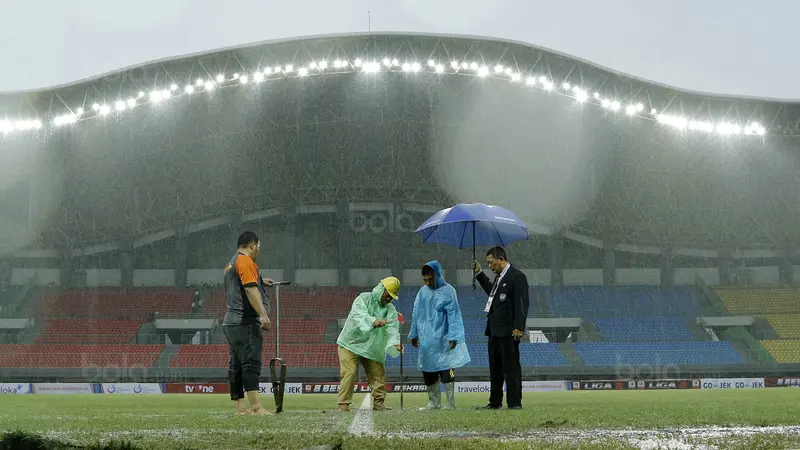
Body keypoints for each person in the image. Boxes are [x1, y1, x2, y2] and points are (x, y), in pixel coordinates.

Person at [222, 231, 275, 415]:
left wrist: (260, 280)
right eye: (258, 247)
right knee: (251, 362)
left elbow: (239, 284)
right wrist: (262, 315)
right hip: (245, 321)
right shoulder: (246, 261)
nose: (258, 250)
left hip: (231, 322)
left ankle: (240, 407)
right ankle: (256, 407)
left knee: (235, 364)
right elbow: (250, 290)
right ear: (252, 245)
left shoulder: (231, 263)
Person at [473, 246, 529, 410]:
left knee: (511, 368)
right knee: (495, 369)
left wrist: (519, 326)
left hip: (509, 331)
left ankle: (514, 403)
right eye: (488, 263)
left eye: (491, 262)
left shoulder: (517, 276)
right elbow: (492, 293)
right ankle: (495, 402)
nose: (490, 266)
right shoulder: (498, 278)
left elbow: (522, 303)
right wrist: (479, 274)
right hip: (494, 330)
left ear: (501, 259)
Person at [409, 260, 470, 410]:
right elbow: (416, 314)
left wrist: (453, 336)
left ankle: (450, 403)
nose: (428, 282)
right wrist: (414, 334)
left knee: (447, 370)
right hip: (427, 340)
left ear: (437, 275)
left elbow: (454, 314)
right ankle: (433, 402)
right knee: (428, 371)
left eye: (430, 279)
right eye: (425, 280)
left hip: (444, 339)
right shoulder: (422, 292)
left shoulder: (449, 291)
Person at [336, 277, 403, 412]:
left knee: (378, 374)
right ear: (381, 289)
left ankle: (379, 404)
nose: (389, 299)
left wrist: (395, 343)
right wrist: (373, 321)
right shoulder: (363, 298)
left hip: (372, 347)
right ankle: (344, 404)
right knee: (350, 372)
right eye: (388, 295)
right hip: (350, 343)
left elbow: (392, 328)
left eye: (392, 297)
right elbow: (358, 315)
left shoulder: (390, 309)